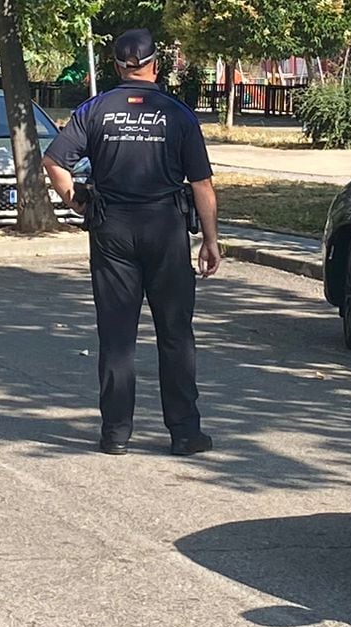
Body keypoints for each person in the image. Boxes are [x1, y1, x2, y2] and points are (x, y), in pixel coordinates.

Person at [41, 29, 221, 456]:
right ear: (155, 65)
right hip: (165, 228)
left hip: (112, 230)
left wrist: (78, 203)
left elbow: (53, 161)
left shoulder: (94, 110)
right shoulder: (177, 114)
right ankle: (184, 432)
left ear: (117, 66)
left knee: (117, 334)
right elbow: (202, 184)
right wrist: (210, 239)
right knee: (175, 333)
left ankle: (116, 433)